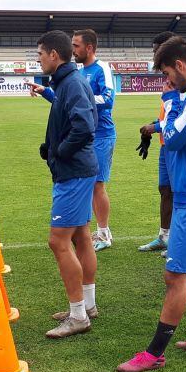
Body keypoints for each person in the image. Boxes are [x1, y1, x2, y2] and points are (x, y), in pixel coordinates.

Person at [118, 37, 186, 372]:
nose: (168, 81)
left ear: (180, 66)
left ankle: (154, 354)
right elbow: (173, 130)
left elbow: (175, 136)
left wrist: (169, 97)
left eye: (168, 73)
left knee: (175, 275)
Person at [31, 31, 100, 338]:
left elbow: (85, 127)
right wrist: (53, 145)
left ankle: (78, 316)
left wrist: (60, 151)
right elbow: (72, 121)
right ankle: (87, 305)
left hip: (73, 172)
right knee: (82, 237)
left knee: (59, 241)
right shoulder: (67, 82)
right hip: (78, 170)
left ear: (54, 56)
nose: (39, 59)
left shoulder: (71, 83)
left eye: (40, 55)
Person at [73, 29, 118, 251]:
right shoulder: (81, 72)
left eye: (76, 46)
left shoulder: (102, 68)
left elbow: (108, 99)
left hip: (102, 135)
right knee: (91, 184)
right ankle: (100, 231)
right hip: (87, 135)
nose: (73, 50)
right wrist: (45, 91)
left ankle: (104, 234)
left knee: (98, 185)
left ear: (89, 48)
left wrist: (83, 99)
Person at [137, 31, 179, 256]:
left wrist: (157, 127)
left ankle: (179, 241)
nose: (153, 55)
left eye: (156, 50)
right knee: (165, 190)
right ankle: (164, 236)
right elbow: (169, 115)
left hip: (177, 145)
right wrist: (154, 126)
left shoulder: (181, 78)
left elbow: (183, 118)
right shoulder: (168, 77)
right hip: (166, 145)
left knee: (178, 192)